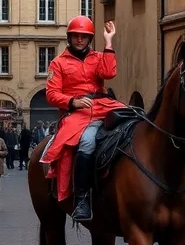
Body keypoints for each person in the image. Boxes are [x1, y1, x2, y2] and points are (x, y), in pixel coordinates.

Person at [40, 17, 124, 222]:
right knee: (87, 141)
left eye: (84, 37)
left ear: (89, 39)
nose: (80, 40)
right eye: (76, 36)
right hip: (76, 114)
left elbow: (109, 72)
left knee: (137, 121)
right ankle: (82, 198)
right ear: (69, 38)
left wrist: (109, 42)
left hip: (104, 105)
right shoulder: (58, 62)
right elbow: (51, 94)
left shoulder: (97, 57)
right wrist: (73, 102)